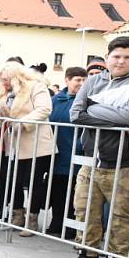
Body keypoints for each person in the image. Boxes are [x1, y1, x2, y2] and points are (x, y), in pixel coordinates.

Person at [66, 36, 129, 258]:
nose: (121, 61)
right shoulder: (94, 81)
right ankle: (87, 252)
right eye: (116, 56)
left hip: (123, 161)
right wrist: (116, 116)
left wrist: (92, 108)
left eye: (127, 57)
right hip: (91, 157)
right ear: (107, 58)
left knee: (120, 213)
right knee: (85, 207)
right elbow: (76, 114)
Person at [0, 62, 54, 235]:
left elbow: (44, 109)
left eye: (7, 80)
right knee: (13, 180)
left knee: (33, 182)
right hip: (15, 144)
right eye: (2, 80)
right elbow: (0, 117)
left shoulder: (36, 87)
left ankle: (32, 220)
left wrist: (22, 123)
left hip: (37, 143)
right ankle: (17, 215)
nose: (4, 83)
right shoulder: (6, 94)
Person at [41, 67, 86, 237]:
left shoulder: (86, 102)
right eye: (77, 80)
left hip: (76, 152)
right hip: (55, 153)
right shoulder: (55, 100)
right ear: (67, 80)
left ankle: (70, 227)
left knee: (74, 192)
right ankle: (56, 222)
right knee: (57, 190)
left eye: (84, 80)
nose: (81, 84)